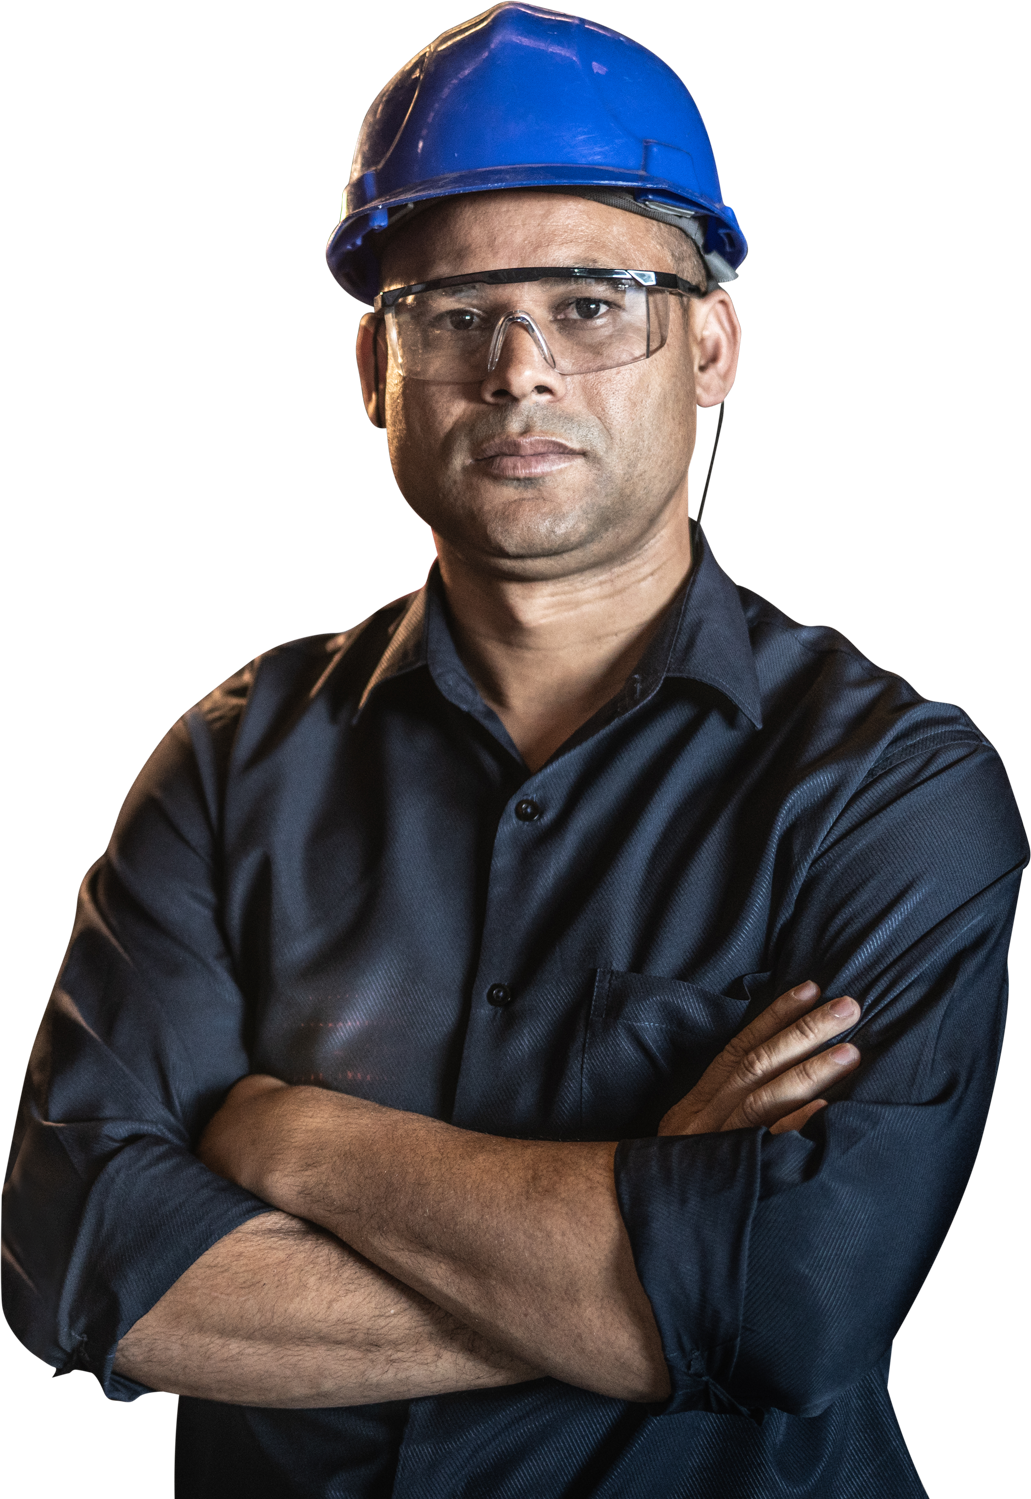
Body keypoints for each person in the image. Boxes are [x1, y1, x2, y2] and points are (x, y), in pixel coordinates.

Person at [1, 5, 1027, 1495]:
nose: (520, 368)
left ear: (713, 342)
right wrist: (644, 1245)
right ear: (377, 364)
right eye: (455, 312)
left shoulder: (887, 793)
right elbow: (82, 1259)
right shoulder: (231, 775)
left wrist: (291, 1138)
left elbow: (788, 1305)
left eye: (595, 302)